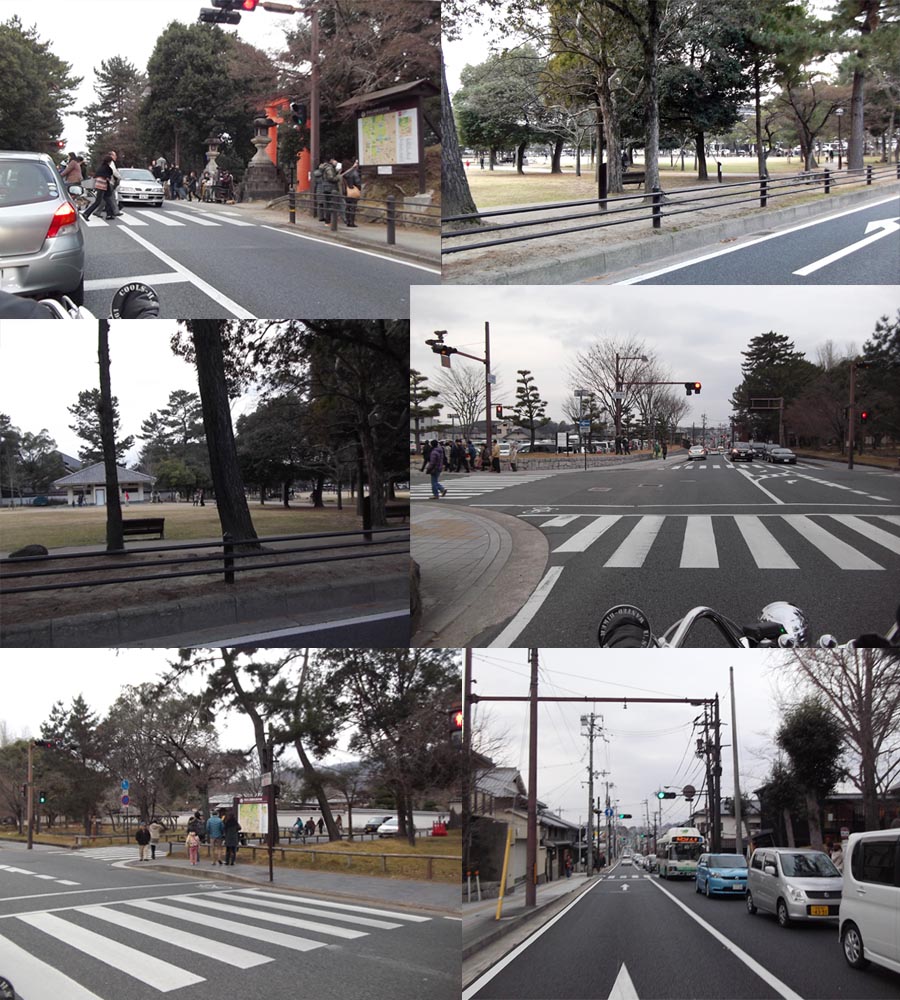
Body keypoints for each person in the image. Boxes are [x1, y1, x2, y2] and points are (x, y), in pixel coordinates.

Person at [82, 155, 118, 220]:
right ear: (109, 161)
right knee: (98, 201)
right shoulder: (107, 168)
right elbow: (108, 176)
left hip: (99, 184)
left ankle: (110, 214)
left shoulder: (101, 167)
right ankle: (86, 213)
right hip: (103, 185)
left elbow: (96, 175)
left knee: (108, 200)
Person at [319, 155, 341, 224]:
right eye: (334, 160)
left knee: (327, 204)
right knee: (331, 204)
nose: (335, 161)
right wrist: (338, 177)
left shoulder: (324, 167)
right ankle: (329, 221)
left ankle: (328, 220)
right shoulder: (329, 168)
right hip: (330, 187)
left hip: (326, 187)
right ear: (331, 160)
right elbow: (331, 177)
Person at [342, 157, 361, 227]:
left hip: (346, 191)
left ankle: (347, 221)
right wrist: (359, 188)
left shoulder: (344, 173)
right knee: (353, 207)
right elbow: (357, 182)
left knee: (347, 206)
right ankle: (351, 222)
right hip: (353, 190)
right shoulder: (354, 172)